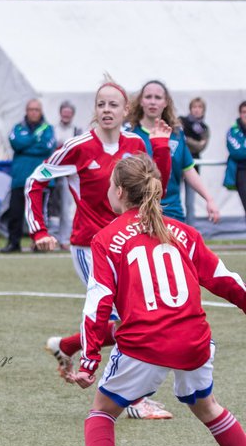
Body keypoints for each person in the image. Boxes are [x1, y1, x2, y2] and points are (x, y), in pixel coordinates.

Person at [66, 154, 246, 446]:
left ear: (118, 191)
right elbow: (226, 281)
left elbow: (97, 304)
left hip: (145, 345)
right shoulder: (184, 232)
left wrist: (88, 361)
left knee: (101, 411)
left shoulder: (107, 239)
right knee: (207, 407)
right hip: (194, 341)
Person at [28, 79, 174, 420]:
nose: (106, 110)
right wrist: (39, 231)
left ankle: (66, 346)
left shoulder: (137, 143)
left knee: (131, 319)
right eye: (101, 104)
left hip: (129, 244)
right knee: (130, 320)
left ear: (126, 111)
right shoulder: (77, 147)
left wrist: (162, 148)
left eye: (113, 105)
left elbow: (157, 189)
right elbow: (36, 180)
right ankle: (133, 400)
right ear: (95, 111)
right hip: (89, 247)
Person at [125, 80, 220, 224]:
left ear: (166, 102)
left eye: (158, 98)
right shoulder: (129, 135)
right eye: (148, 97)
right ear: (140, 101)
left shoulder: (176, 134)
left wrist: (209, 199)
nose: (153, 102)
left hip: (172, 212)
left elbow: (188, 169)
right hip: (139, 213)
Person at [1, 99, 55, 253]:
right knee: (15, 213)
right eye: (31, 109)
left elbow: (46, 148)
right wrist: (33, 140)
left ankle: (38, 243)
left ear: (41, 111)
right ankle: (13, 243)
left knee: (39, 214)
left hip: (40, 180)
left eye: (36, 109)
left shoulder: (48, 128)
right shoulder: (17, 128)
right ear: (26, 111)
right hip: (20, 178)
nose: (33, 112)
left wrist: (25, 147)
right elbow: (15, 143)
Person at [51, 101, 83, 248]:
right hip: (52, 173)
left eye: (69, 113)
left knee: (66, 207)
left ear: (72, 115)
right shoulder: (52, 130)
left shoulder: (77, 131)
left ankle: (64, 238)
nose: (66, 115)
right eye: (64, 112)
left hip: (67, 174)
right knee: (51, 207)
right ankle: (51, 237)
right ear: (60, 113)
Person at [180, 97, 209, 221]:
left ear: (203, 110)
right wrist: (190, 141)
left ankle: (190, 230)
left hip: (193, 167)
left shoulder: (204, 128)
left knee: (190, 203)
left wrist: (187, 140)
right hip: (177, 164)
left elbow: (201, 146)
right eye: (194, 107)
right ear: (190, 108)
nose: (197, 110)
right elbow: (178, 139)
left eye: (199, 107)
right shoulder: (181, 121)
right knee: (172, 198)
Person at [227, 101, 246, 218]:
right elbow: (236, 152)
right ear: (240, 114)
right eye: (244, 112)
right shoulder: (233, 131)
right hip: (241, 173)